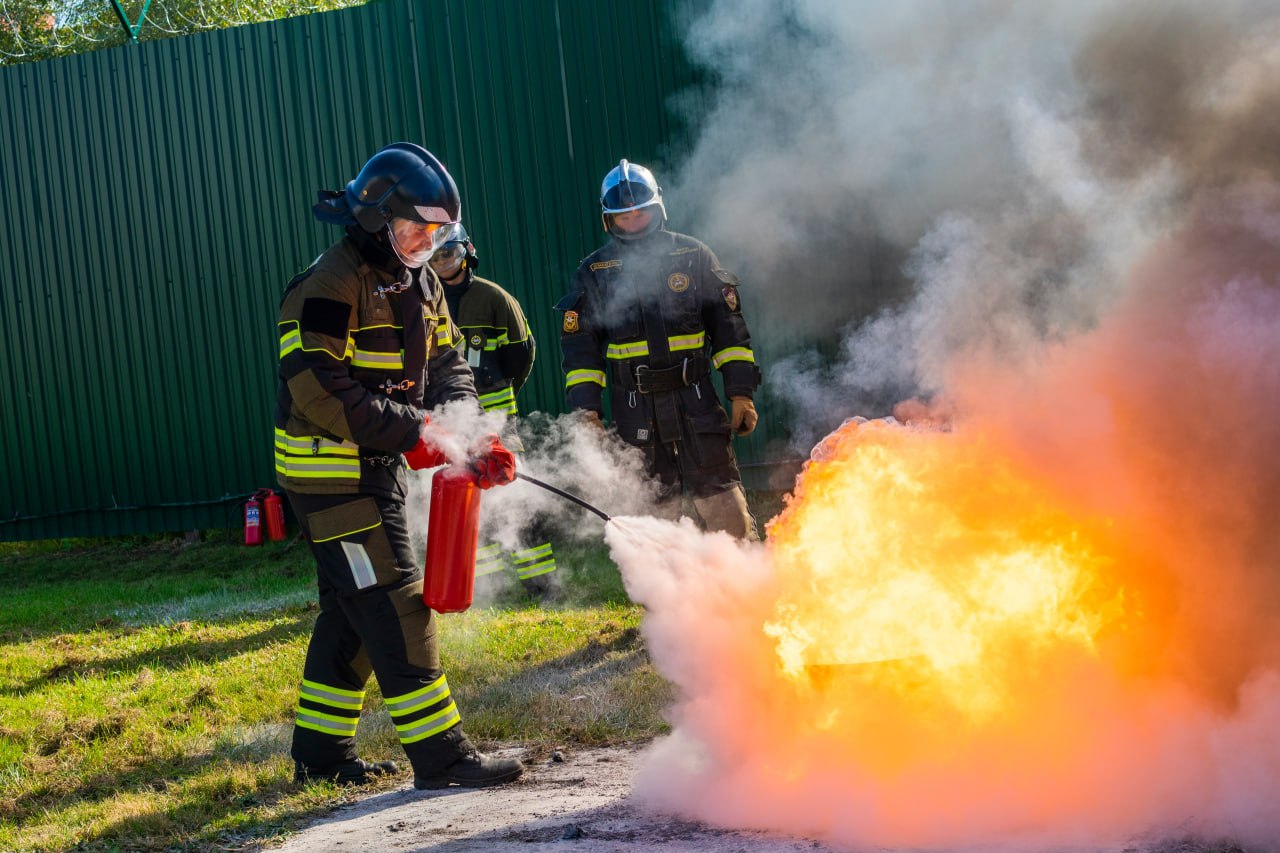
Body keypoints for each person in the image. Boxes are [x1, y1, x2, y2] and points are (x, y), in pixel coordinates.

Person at [275, 142, 524, 790]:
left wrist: (467, 429)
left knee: (351, 617)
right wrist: (420, 430)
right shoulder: (327, 286)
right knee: (395, 604)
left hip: (374, 468)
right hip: (330, 476)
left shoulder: (422, 281)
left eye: (438, 233)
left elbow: (448, 365)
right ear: (376, 216)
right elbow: (320, 392)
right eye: (417, 228)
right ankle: (444, 760)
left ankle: (321, 758)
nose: (428, 242)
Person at [557, 159, 762, 539]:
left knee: (725, 510)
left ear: (658, 208)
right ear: (608, 219)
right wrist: (587, 411)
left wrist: (741, 393)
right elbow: (581, 349)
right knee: (653, 520)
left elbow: (729, 332)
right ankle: (666, 581)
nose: (634, 221)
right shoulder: (595, 271)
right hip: (635, 411)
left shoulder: (693, 256)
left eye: (641, 212)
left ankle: (742, 576)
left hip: (696, 403)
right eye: (624, 216)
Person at [428, 225, 558, 596]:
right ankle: (486, 587)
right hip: (449, 426)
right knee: (468, 502)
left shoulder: (494, 299)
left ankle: (541, 585)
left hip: (497, 422)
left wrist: (502, 396)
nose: (443, 263)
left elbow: (521, 355)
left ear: (466, 252)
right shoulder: (422, 303)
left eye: (449, 254)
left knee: (518, 498)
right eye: (435, 258)